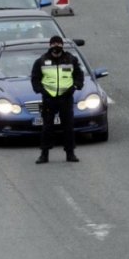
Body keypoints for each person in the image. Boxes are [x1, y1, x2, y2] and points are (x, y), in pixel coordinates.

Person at [30, 36, 84, 164]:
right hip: (49, 98)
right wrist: (41, 90)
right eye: (54, 43)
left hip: (66, 97)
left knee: (68, 126)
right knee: (47, 127)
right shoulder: (41, 61)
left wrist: (76, 86)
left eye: (59, 43)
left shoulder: (71, 59)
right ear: (50, 45)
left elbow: (79, 75)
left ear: (62, 45)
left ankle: (70, 153)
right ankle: (44, 154)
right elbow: (35, 78)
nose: (56, 45)